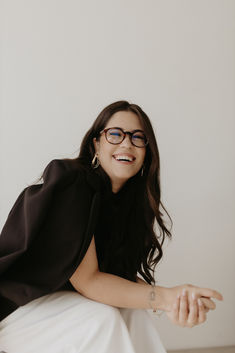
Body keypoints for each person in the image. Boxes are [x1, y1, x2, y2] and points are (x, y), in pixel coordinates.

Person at [0, 100, 223, 353]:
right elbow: (89, 281)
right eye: (115, 134)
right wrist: (163, 298)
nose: (127, 143)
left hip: (60, 307)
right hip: (16, 310)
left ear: (146, 152)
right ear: (97, 143)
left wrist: (176, 301)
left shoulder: (127, 205)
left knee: (133, 313)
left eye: (138, 138)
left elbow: (119, 280)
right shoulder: (73, 183)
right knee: (100, 319)